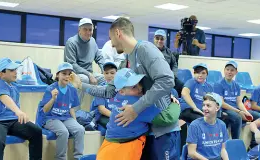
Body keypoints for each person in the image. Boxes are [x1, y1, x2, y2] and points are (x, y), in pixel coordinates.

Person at [71, 17, 182, 159]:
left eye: (111, 38)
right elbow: (109, 90)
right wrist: (81, 85)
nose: (111, 44)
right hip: (145, 129)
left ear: (118, 33)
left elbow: (167, 80)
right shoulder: (127, 61)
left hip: (163, 130)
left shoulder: (146, 49)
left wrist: (136, 108)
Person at [0, 58, 42, 160]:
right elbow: (4, 97)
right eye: (12, 70)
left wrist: (18, 114)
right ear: (1, 73)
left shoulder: (14, 88)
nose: (15, 72)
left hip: (11, 120)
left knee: (36, 131)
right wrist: (18, 111)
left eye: (15, 70)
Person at [96, 68, 161, 160]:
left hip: (107, 148)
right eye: (134, 87)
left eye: (139, 83)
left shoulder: (117, 97)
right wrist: (172, 101)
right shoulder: (137, 104)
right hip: (125, 149)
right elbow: (167, 116)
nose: (140, 88)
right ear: (122, 91)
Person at [38, 62, 85, 160]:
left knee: (80, 129)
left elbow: (71, 107)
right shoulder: (50, 88)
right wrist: (53, 99)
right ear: (57, 75)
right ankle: (60, 158)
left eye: (69, 74)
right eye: (64, 73)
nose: (67, 76)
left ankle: (78, 157)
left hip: (65, 117)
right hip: (50, 118)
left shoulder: (72, 89)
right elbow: (44, 110)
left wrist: (75, 122)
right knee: (63, 132)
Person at [64, 18, 105, 107]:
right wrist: (89, 74)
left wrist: (105, 71)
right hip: (74, 74)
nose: (88, 32)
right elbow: (72, 64)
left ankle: (99, 108)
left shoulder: (93, 41)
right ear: (79, 30)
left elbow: (99, 57)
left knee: (104, 78)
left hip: (90, 73)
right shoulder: (71, 42)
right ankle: (75, 111)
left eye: (90, 30)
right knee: (84, 79)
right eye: (85, 29)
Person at [214, 61, 255, 139]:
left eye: (232, 70)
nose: (229, 72)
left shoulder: (236, 85)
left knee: (256, 116)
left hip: (236, 109)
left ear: (236, 72)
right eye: (227, 69)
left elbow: (239, 102)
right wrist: (239, 112)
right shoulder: (218, 84)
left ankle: (254, 142)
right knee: (237, 117)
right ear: (224, 70)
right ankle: (235, 142)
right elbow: (221, 103)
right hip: (225, 110)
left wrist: (246, 112)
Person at [187, 93, 229, 160]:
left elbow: (222, 149)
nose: (204, 108)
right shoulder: (195, 125)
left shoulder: (222, 125)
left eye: (208, 106)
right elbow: (191, 153)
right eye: (203, 105)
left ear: (217, 108)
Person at [153, 29, 184, 97]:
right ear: (154, 38)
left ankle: (177, 102)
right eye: (157, 38)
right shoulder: (148, 50)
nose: (159, 41)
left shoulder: (168, 52)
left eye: (162, 39)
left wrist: (173, 75)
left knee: (181, 85)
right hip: (154, 78)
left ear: (165, 40)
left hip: (168, 77)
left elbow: (174, 64)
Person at [91, 62, 117, 129]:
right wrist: (117, 117)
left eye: (112, 73)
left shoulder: (120, 88)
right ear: (103, 74)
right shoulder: (100, 89)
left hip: (115, 117)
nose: (109, 75)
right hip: (102, 118)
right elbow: (102, 110)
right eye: (106, 73)